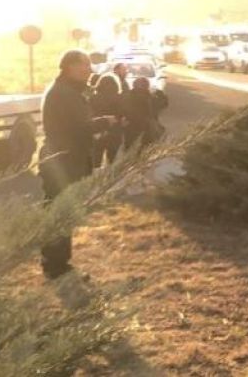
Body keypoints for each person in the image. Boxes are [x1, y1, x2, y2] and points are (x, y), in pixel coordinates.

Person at [39, 50, 116, 279]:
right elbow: (78, 127)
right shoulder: (65, 94)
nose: (89, 70)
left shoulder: (66, 90)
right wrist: (105, 122)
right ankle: (56, 266)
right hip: (63, 162)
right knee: (59, 212)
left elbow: (73, 126)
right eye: (85, 66)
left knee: (61, 211)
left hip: (63, 159)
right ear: (70, 67)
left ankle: (57, 263)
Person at [89, 73, 124, 169]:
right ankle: (111, 178)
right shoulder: (119, 98)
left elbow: (89, 114)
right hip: (114, 132)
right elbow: (122, 114)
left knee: (96, 160)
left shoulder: (93, 98)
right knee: (112, 161)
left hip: (98, 131)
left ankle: (95, 179)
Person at [122, 77, 160, 150]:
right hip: (145, 128)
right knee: (143, 149)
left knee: (128, 148)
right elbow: (154, 113)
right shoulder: (150, 98)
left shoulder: (127, 96)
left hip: (130, 127)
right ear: (147, 86)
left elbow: (124, 110)